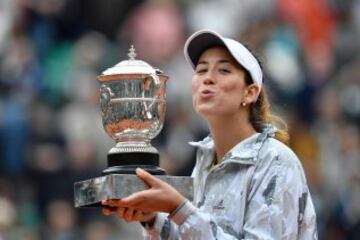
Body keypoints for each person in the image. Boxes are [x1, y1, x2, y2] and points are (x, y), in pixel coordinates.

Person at [102, 29, 318, 239]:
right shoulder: (205, 161)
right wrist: (153, 220)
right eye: (201, 70)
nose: (208, 78)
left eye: (224, 70)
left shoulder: (276, 160)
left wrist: (179, 208)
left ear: (250, 92)